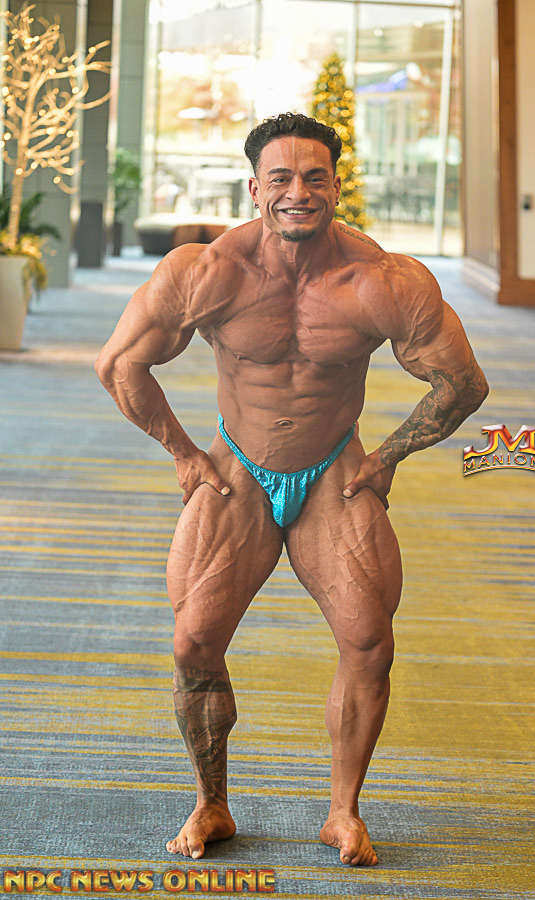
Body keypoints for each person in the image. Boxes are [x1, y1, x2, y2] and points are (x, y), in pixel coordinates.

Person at [95, 112, 488, 868]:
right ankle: (211, 803)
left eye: (314, 177)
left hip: (336, 467)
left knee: (370, 641)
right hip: (237, 469)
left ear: (337, 186)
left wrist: (391, 455)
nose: (298, 192)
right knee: (193, 641)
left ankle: (343, 812)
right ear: (255, 188)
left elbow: (462, 382)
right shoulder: (207, 273)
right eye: (281, 178)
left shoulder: (383, 281)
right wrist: (182, 454)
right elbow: (119, 364)